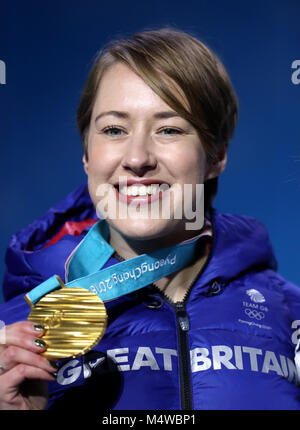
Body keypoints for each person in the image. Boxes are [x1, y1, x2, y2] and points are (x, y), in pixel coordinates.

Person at [0, 27, 300, 411]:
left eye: (169, 129)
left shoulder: (289, 316)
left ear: (217, 155)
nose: (138, 157)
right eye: (114, 129)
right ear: (87, 154)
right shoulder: (16, 340)